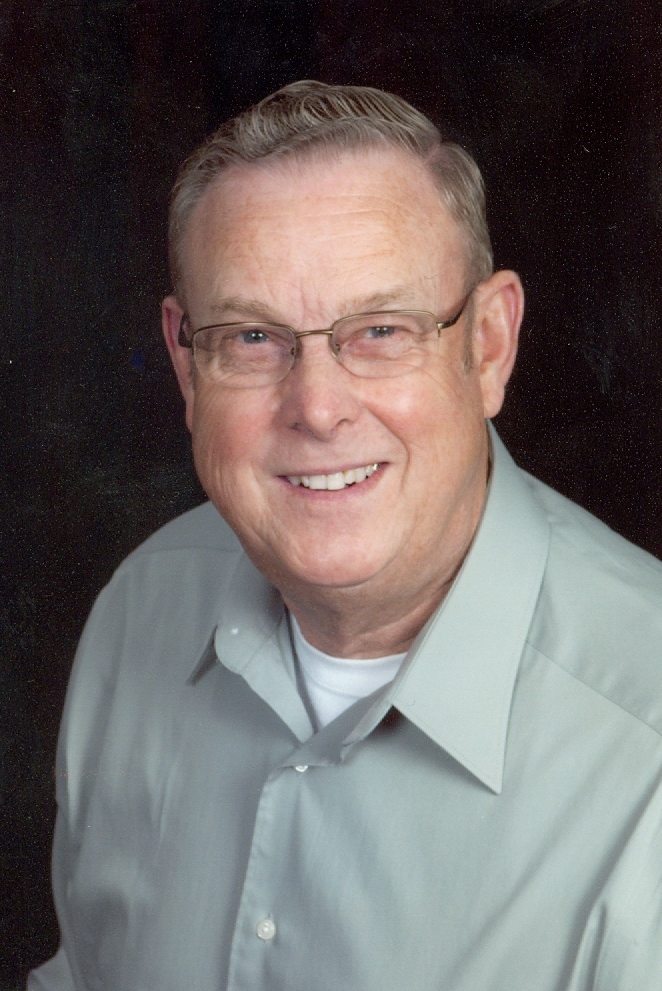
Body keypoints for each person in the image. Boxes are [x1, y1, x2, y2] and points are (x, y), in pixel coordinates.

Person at [29, 81, 662, 991]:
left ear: (489, 344)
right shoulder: (139, 610)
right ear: (186, 363)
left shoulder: (644, 761)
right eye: (253, 338)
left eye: (380, 329)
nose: (318, 408)